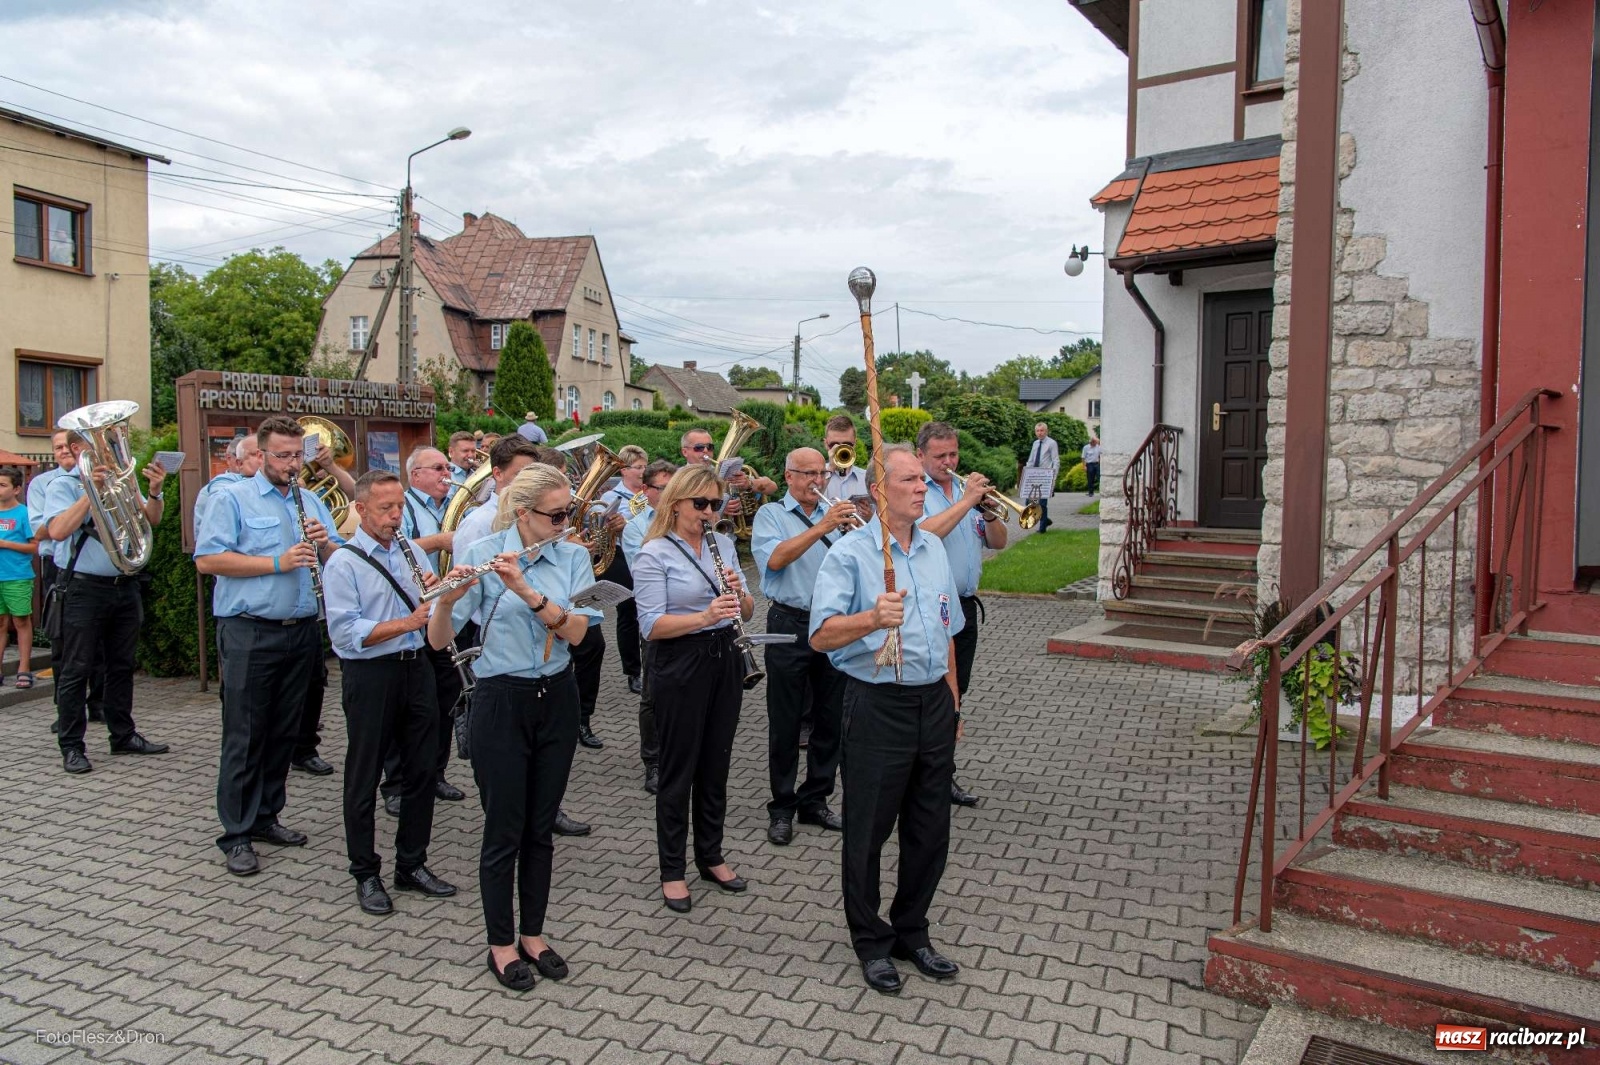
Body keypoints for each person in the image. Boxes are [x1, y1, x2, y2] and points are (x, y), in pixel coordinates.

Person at [428, 463, 598, 992]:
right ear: (523, 514)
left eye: (569, 512)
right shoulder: (482, 553)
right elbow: (438, 640)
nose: (566, 523)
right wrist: (447, 600)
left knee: (540, 828)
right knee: (504, 828)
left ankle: (534, 934)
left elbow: (576, 632)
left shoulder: (572, 557)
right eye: (557, 515)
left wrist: (526, 590)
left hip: (557, 697)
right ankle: (500, 943)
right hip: (501, 699)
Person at [810, 444, 965, 994]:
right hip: (877, 706)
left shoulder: (932, 548)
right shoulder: (850, 554)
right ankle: (871, 941)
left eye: (923, 479)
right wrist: (872, 618)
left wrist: (952, 702)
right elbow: (821, 635)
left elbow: (947, 629)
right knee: (868, 830)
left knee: (930, 829)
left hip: (932, 703)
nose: (923, 487)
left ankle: (912, 931)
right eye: (910, 480)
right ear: (880, 491)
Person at [195, 416, 341, 876]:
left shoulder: (310, 499)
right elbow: (208, 559)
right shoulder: (232, 498)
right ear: (260, 455)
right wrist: (277, 562)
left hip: (302, 628)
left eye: (298, 455)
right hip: (250, 629)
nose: (292, 464)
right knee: (246, 733)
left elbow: (339, 559)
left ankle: (266, 817)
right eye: (282, 456)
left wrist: (325, 546)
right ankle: (236, 833)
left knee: (284, 730)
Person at [324, 470, 457, 915]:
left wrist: (447, 592)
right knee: (364, 775)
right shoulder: (344, 562)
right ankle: (365, 872)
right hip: (371, 675)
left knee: (422, 770)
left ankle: (412, 863)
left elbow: (429, 605)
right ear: (360, 509)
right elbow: (345, 634)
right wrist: (407, 622)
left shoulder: (409, 550)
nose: (395, 516)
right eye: (385, 508)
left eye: (399, 506)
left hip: (415, 667)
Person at [633, 464, 752, 913]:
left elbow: (747, 610)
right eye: (700, 503)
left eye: (715, 504)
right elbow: (650, 626)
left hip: (724, 656)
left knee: (716, 763)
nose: (708, 512)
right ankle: (672, 869)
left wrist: (740, 595)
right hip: (679, 661)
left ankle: (711, 855)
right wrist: (705, 616)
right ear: (676, 503)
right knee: (678, 769)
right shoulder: (655, 553)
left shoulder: (723, 544)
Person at [44, 437, 172, 776]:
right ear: (78, 450)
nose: (106, 450)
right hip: (84, 588)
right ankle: (72, 745)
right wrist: (91, 490)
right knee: (77, 668)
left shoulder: (122, 480)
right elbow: (57, 530)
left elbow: (151, 519)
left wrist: (155, 491)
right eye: (95, 443)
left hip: (124, 584)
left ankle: (123, 735)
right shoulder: (63, 485)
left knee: (121, 665)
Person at [751, 448, 853, 846]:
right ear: (789, 476)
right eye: (808, 474)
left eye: (821, 473)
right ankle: (782, 806)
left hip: (832, 623)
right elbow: (776, 560)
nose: (817, 481)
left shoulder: (837, 514)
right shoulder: (771, 515)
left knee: (830, 718)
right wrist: (823, 525)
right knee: (786, 720)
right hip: (789, 623)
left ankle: (816, 799)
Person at [916, 422, 1006, 808]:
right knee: (934, 693)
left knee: (957, 692)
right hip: (929, 608)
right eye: (940, 456)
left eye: (953, 454)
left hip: (965, 606)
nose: (949, 462)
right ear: (921, 456)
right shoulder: (918, 491)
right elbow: (924, 533)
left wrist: (989, 514)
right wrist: (968, 502)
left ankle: (942, 773)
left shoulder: (965, 494)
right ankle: (926, 775)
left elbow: (999, 543)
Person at [386, 446, 464, 807]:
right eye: (438, 468)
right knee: (404, 707)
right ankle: (396, 784)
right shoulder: (400, 507)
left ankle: (435, 774)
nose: (446, 473)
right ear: (415, 474)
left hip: (442, 615)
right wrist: (439, 541)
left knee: (444, 700)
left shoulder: (453, 505)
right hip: (408, 618)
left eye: (447, 467)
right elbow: (390, 549)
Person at [31, 430, 98, 729]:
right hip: (59, 566)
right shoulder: (45, 484)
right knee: (63, 643)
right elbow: (42, 530)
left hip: (97, 569)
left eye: (68, 446)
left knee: (101, 646)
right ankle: (66, 712)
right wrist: (74, 510)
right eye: (58, 447)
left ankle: (99, 705)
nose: (64, 452)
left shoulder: (100, 477)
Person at [622, 460, 675, 794]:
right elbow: (643, 575)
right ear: (645, 491)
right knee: (653, 695)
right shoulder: (635, 528)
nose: (669, 495)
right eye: (662, 489)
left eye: (674, 489)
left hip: (694, 621)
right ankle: (653, 762)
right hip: (657, 620)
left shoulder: (693, 521)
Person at [599, 445, 647, 695]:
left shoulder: (651, 493)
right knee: (628, 612)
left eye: (645, 466)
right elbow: (602, 528)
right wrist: (618, 525)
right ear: (624, 470)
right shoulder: (611, 497)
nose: (643, 471)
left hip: (649, 554)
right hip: (621, 555)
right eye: (638, 467)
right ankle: (633, 671)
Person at [452, 435, 540, 553]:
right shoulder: (477, 524)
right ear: (498, 474)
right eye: (520, 474)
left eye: (533, 474)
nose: (530, 481)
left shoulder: (539, 515)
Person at [0, 468, 37, 690]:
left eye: (2, 485)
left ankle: (24, 668)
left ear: (16, 489)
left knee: (21, 621)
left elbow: (35, 547)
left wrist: (5, 544)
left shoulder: (25, 514)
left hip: (17, 577)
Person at [823, 414, 869, 503]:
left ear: (854, 444)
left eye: (847, 445)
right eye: (834, 445)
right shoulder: (815, 476)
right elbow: (810, 504)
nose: (840, 449)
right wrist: (830, 469)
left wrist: (869, 512)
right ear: (826, 444)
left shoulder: (866, 478)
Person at [1026, 422, 1060, 532]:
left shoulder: (1052, 443)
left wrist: (1053, 477)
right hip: (1034, 475)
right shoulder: (1035, 443)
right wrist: (1027, 474)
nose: (1040, 433)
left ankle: (1042, 528)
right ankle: (1045, 520)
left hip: (1045, 476)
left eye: (1042, 430)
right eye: (1037, 431)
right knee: (1029, 502)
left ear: (1046, 431)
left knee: (1042, 503)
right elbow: (1031, 460)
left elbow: (1056, 461)